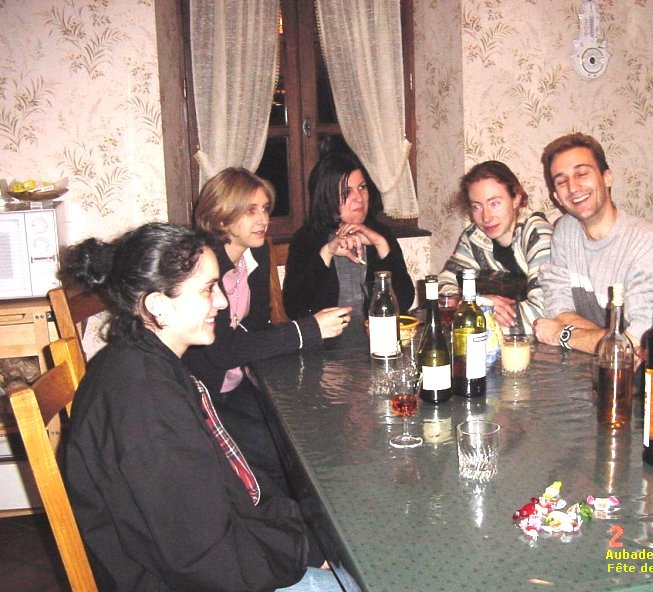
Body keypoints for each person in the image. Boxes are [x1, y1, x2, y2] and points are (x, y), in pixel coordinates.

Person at [63, 223, 340, 591]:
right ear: (157, 305)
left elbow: (227, 493)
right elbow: (204, 559)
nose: (222, 302)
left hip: (221, 557)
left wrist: (305, 540)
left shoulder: (146, 363)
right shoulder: (146, 403)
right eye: (209, 289)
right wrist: (304, 552)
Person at [185, 167, 351, 495]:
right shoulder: (202, 266)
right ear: (221, 217)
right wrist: (308, 330)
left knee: (303, 430)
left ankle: (319, 505)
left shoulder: (255, 252)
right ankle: (277, 512)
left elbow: (258, 324)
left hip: (239, 380)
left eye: (264, 209)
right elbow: (221, 351)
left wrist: (294, 337)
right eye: (250, 211)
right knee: (273, 448)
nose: (263, 220)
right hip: (204, 395)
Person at [534, 132, 653, 354]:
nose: (573, 187)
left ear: (607, 177)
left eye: (582, 173)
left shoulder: (650, 245)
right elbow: (556, 308)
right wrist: (610, 342)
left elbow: (641, 345)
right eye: (561, 181)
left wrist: (563, 334)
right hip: (593, 364)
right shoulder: (565, 230)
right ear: (556, 196)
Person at [283, 151, 415, 319]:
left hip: (374, 332)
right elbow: (296, 310)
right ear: (326, 196)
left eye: (362, 187)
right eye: (347, 191)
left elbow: (404, 301)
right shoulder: (307, 239)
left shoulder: (380, 233)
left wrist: (381, 245)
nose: (359, 198)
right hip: (330, 335)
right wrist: (327, 253)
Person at [438, 160, 553, 333]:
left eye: (494, 203)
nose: (486, 217)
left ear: (516, 199)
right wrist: (477, 303)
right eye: (477, 206)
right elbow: (443, 288)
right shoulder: (474, 237)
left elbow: (545, 313)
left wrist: (479, 316)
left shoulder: (537, 235)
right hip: (500, 339)